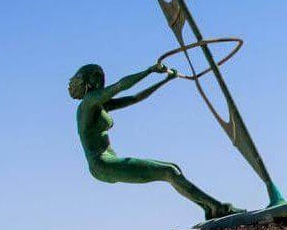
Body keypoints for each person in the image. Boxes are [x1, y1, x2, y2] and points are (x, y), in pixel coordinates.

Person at [69, 62, 240, 220]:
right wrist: (149, 71)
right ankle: (218, 207)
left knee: (173, 169)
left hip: (106, 162)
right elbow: (120, 86)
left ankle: (209, 209)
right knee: (169, 172)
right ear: (88, 81)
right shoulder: (89, 102)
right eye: (97, 76)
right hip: (102, 164)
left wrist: (165, 80)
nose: (102, 80)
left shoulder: (98, 105)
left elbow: (135, 98)